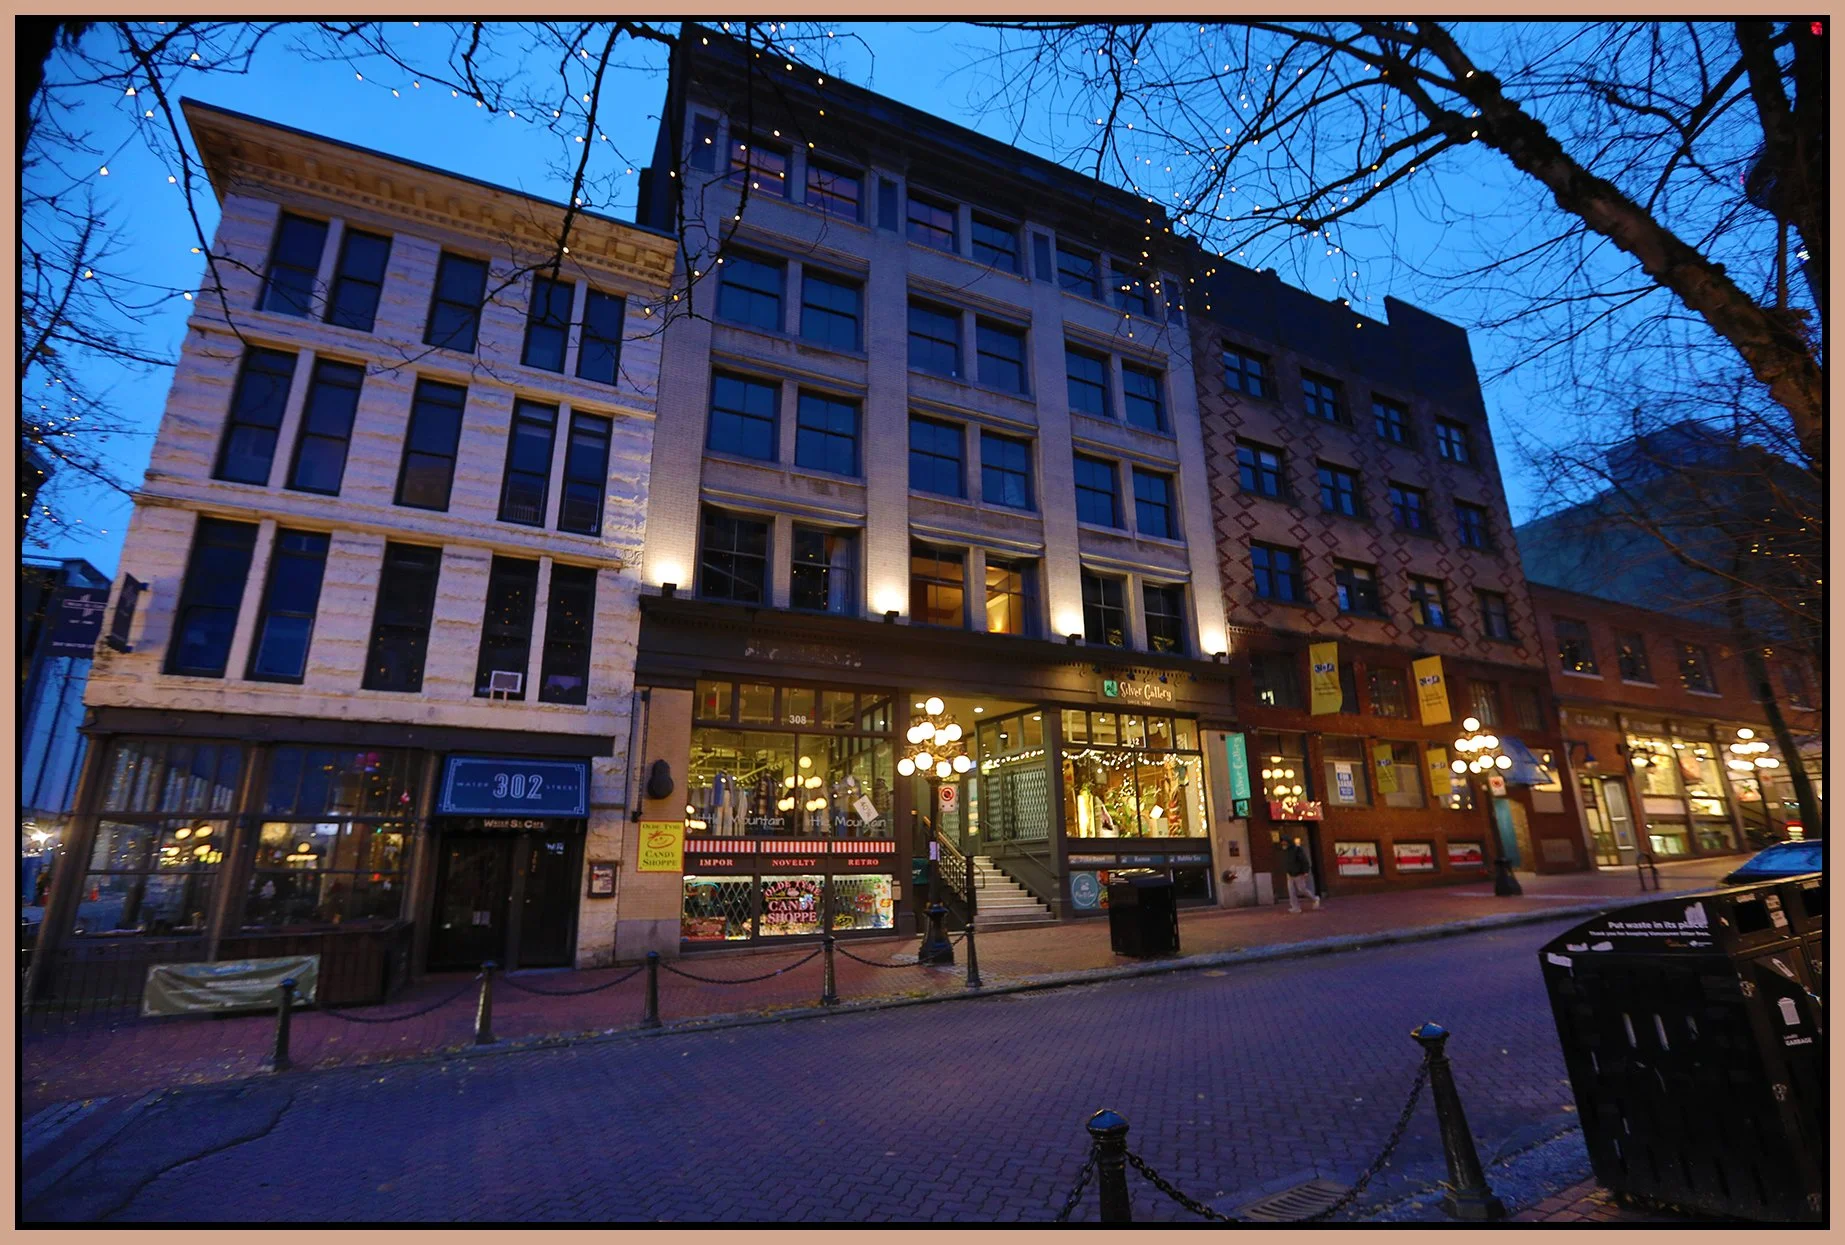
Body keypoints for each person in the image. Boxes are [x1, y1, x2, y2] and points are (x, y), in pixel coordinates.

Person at [1281, 834, 1321, 913]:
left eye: (1284, 843)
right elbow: (1286, 862)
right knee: (1291, 891)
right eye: (1282, 843)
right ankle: (1295, 907)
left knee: (1302, 889)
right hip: (1289, 874)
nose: (1283, 844)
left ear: (1288, 842)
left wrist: (1306, 871)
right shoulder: (1285, 851)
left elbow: (1304, 860)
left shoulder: (1297, 850)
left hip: (1298, 873)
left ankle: (1315, 899)